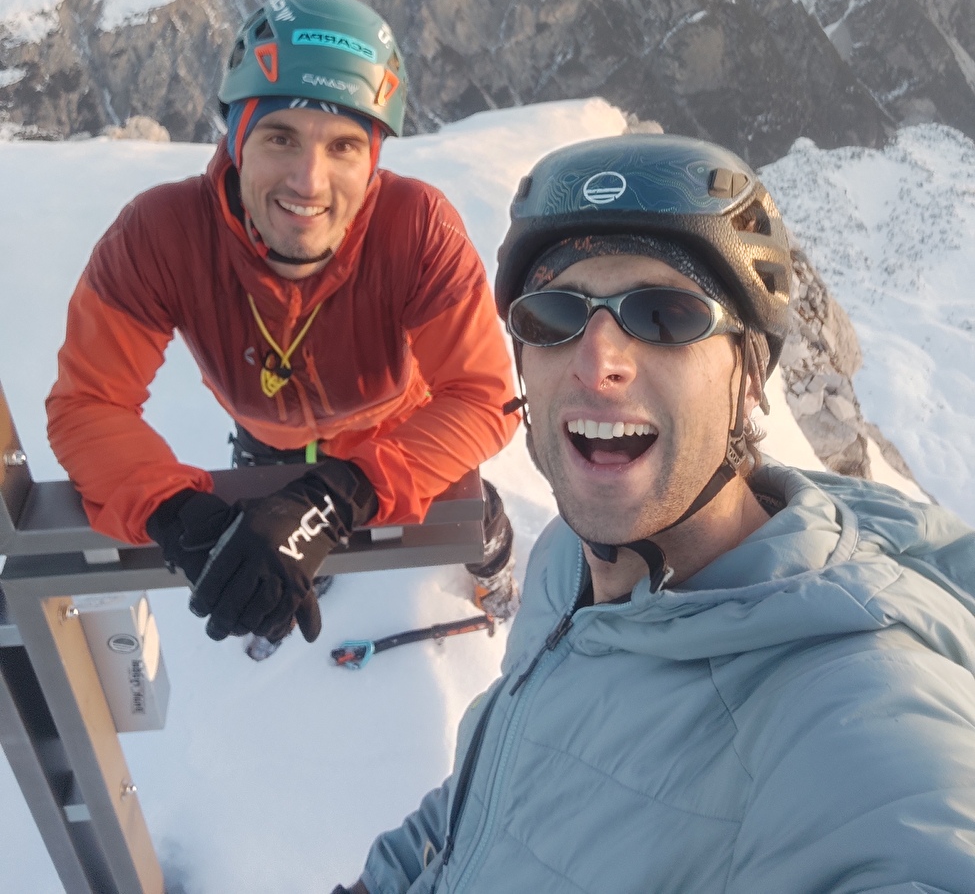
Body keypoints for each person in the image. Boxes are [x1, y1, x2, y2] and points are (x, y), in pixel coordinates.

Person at [337, 132, 975, 894]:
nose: (595, 360)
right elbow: (490, 802)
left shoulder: (844, 702)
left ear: (748, 378)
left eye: (665, 315)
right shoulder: (565, 566)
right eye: (553, 316)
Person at [47, 0, 519, 660]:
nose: (309, 182)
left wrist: (342, 495)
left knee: (475, 512)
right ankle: (296, 589)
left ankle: (493, 570)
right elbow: (89, 404)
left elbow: (480, 396)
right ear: (237, 139)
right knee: (272, 548)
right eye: (280, 138)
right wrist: (175, 512)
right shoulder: (160, 235)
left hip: (397, 429)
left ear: (372, 158)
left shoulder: (415, 229)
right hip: (267, 434)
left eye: (344, 146)